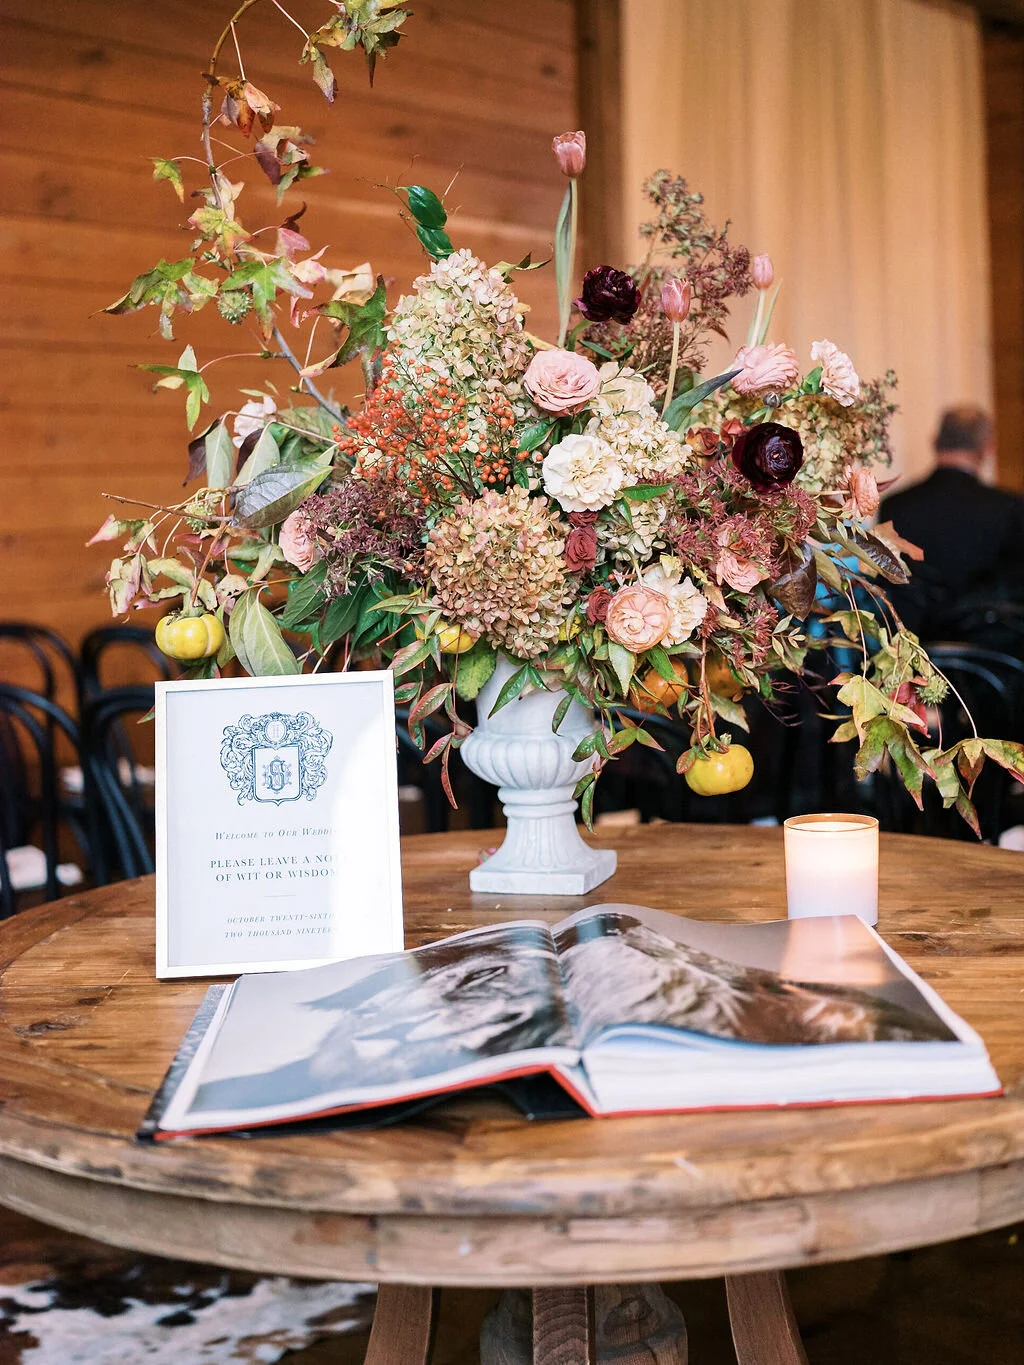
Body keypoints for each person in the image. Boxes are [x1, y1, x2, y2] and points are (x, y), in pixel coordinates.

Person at [881, 406, 1024, 641]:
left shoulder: (895, 506)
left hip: (915, 653)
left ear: (935, 441)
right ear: (987, 446)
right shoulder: (1009, 508)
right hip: (993, 659)